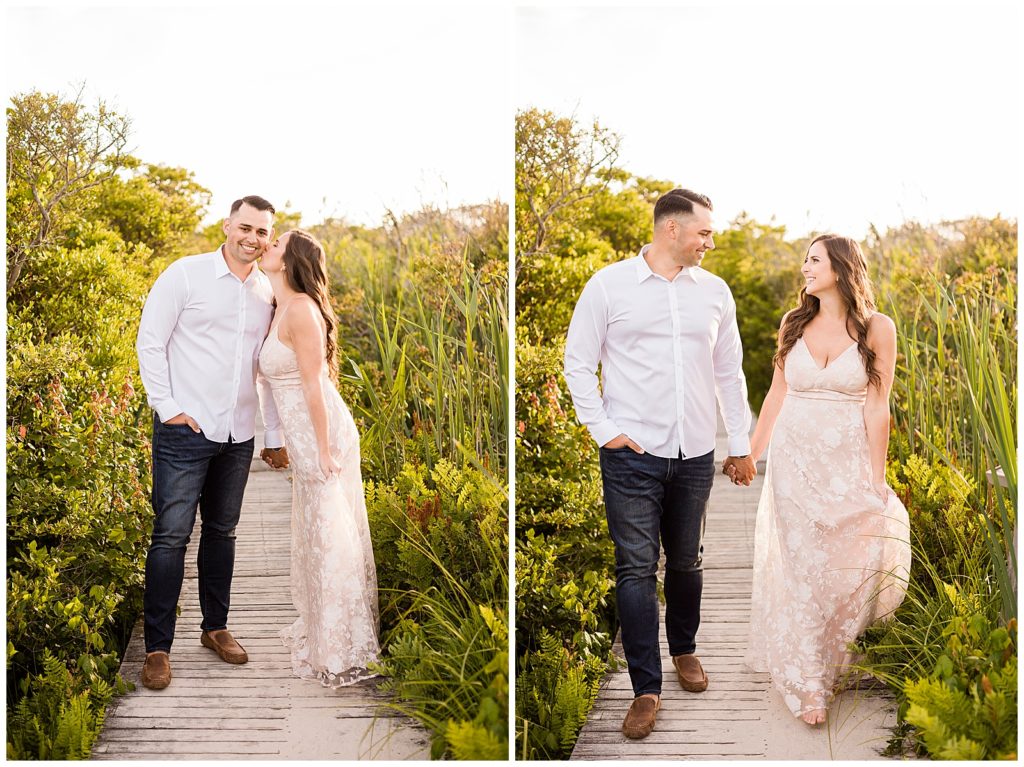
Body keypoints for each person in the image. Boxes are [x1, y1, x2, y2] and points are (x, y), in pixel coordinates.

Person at [564, 189, 755, 740]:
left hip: (694, 452)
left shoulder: (715, 293)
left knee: (688, 562)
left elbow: (729, 373)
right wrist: (605, 430)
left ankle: (686, 650)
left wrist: (737, 443)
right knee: (635, 570)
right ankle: (645, 688)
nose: (710, 242)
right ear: (671, 230)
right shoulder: (607, 286)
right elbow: (578, 363)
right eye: (705, 233)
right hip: (632, 456)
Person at [738, 234, 911, 725]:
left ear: (840, 267)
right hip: (794, 462)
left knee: (845, 568)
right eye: (805, 260)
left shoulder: (878, 327)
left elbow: (879, 406)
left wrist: (876, 480)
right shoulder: (793, 324)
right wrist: (752, 454)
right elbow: (775, 395)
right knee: (798, 568)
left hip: (847, 461)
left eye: (814, 260)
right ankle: (808, 681)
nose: (805, 267)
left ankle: (830, 660)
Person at [136, 195, 290, 690]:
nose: (253, 238)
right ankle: (158, 649)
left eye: (263, 232)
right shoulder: (185, 274)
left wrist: (274, 433)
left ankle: (215, 628)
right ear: (227, 225)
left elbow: (264, 369)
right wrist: (168, 408)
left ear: (270, 237)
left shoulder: (268, 291)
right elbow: (150, 341)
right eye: (246, 226)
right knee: (171, 537)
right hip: (185, 430)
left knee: (222, 534)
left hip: (239, 434)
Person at [257, 229, 379, 686]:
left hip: (322, 432)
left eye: (275, 244)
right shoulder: (279, 306)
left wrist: (324, 450)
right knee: (315, 528)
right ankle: (322, 631)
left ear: (289, 261)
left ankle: (341, 648)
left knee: (331, 531)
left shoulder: (303, 311)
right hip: (304, 435)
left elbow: (314, 385)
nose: (266, 246)